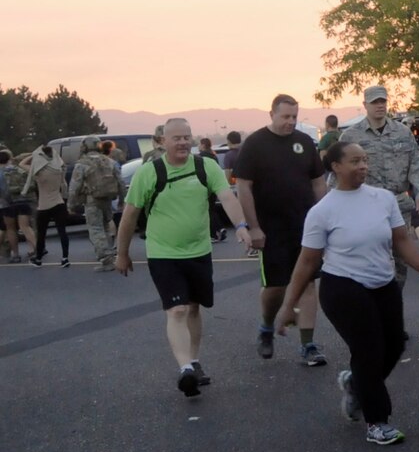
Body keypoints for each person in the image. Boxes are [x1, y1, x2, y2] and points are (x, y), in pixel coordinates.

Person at [275, 140, 419, 445]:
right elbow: (307, 261)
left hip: (384, 283)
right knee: (368, 351)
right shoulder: (322, 211)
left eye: (365, 160)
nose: (363, 166)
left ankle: (356, 383)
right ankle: (377, 421)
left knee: (393, 346)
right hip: (343, 287)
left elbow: (402, 241)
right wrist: (289, 305)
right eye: (355, 161)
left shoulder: (383, 199)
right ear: (336, 166)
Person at [115, 119, 255, 396]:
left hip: (199, 250)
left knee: (193, 307)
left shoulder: (206, 167)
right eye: (176, 138)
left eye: (186, 137)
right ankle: (185, 369)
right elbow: (130, 214)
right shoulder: (150, 172)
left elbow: (227, 197)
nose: (182, 142)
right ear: (162, 142)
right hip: (163, 252)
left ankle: (193, 360)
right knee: (177, 310)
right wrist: (122, 253)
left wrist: (241, 226)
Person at [236, 95, 331, 366]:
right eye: (285, 116)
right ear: (272, 114)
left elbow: (318, 182)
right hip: (271, 228)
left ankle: (308, 345)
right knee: (276, 286)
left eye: (294, 116)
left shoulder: (304, 142)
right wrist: (253, 227)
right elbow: (243, 187)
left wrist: (322, 218)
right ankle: (266, 327)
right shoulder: (255, 144)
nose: (290, 121)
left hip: (305, 226)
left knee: (308, 283)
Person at [342, 86, 419, 287]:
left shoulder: (402, 132)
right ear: (365, 105)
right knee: (369, 258)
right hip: (365, 205)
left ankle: (392, 304)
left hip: (398, 205)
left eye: (382, 101)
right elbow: (339, 172)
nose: (380, 106)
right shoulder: (350, 136)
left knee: (400, 260)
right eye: (374, 102)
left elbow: (417, 163)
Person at [67, 140, 124, 270]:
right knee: (106, 227)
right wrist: (122, 200)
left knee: (96, 229)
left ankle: (106, 260)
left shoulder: (82, 164)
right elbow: (120, 181)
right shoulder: (109, 161)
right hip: (107, 200)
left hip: (92, 201)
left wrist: (71, 204)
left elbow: (74, 187)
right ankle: (111, 254)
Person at [23, 144, 70, 267]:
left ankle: (38, 259)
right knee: (62, 232)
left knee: (42, 233)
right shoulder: (59, 169)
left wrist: (32, 155)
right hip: (59, 203)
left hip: (44, 205)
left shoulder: (39, 172)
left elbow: (21, 164)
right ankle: (65, 258)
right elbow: (61, 163)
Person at [1, 150, 31, 262]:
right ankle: (34, 249)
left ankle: (16, 255)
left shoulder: (0, 172)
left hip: (6, 204)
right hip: (22, 200)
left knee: (10, 229)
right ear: (9, 159)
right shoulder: (17, 169)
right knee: (26, 227)